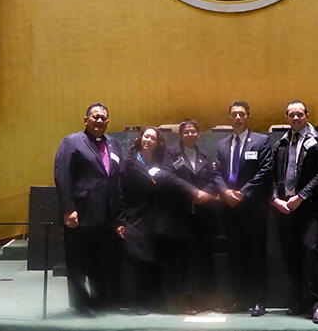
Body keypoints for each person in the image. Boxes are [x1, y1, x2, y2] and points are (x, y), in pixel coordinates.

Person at [53, 103, 123, 314]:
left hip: (106, 214)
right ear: (86, 120)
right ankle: (80, 304)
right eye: (95, 117)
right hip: (80, 213)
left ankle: (99, 301)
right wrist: (68, 209)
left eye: (103, 118)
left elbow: (116, 178)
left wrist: (119, 216)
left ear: (108, 121)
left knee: (100, 261)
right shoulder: (72, 142)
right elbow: (62, 176)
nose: (99, 121)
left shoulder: (114, 144)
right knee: (77, 262)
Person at [271, 100, 318, 324]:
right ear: (286, 117)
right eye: (291, 115)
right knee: (291, 253)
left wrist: (302, 196)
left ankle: (317, 303)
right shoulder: (281, 144)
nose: (295, 118)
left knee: (309, 250)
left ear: (307, 115)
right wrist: (276, 200)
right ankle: (298, 299)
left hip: (309, 208)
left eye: (299, 114)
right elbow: (272, 174)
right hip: (285, 208)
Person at [215, 100, 273, 317]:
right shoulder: (222, 145)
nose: (238, 118)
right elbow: (217, 174)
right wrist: (225, 192)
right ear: (229, 118)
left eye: (241, 114)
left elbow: (266, 170)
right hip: (230, 208)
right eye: (234, 114)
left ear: (248, 116)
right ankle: (239, 299)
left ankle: (259, 300)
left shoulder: (261, 141)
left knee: (256, 255)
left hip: (253, 209)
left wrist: (243, 192)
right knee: (235, 256)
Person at [157, 119, 219, 313]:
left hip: (201, 215)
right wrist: (193, 192)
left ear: (198, 134)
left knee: (200, 258)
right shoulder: (171, 153)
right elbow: (167, 176)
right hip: (179, 214)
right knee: (182, 259)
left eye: (193, 132)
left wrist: (204, 194)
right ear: (181, 135)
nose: (190, 135)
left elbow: (213, 178)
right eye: (186, 132)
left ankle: (200, 298)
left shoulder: (205, 156)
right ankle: (184, 299)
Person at [116, 126, 167, 314]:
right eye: (146, 136)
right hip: (135, 217)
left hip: (158, 216)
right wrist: (121, 220)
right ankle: (140, 302)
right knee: (140, 260)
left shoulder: (162, 161)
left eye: (153, 138)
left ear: (157, 142)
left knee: (156, 260)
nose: (148, 140)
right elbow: (120, 192)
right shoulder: (128, 162)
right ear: (140, 139)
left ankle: (156, 300)